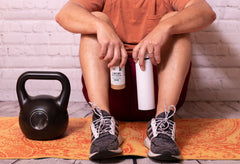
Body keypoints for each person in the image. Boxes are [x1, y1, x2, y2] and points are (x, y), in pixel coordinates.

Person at [56, 0, 216, 161]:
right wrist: (100, 27)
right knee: (96, 20)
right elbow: (64, 14)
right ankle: (102, 124)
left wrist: (165, 28)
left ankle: (162, 127)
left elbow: (206, 12)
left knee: (175, 20)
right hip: (113, 90)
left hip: (160, 94)